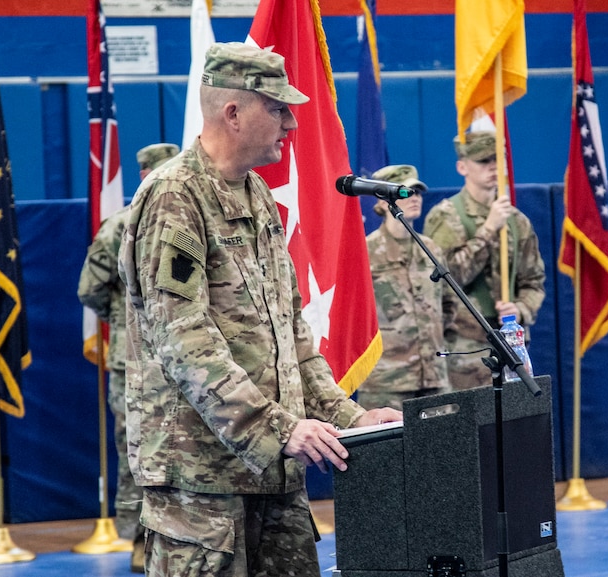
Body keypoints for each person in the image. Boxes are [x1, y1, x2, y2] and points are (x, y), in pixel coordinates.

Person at [118, 42, 401, 577]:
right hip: (202, 483)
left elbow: (291, 334)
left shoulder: (259, 198)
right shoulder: (174, 195)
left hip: (273, 471)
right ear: (233, 112)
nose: (291, 123)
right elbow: (182, 338)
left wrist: (348, 417)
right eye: (277, 109)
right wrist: (277, 427)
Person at [77, 141, 179, 573]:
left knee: (168, 450)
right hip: (134, 363)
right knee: (139, 449)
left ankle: (170, 537)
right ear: (144, 175)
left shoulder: (182, 218)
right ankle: (141, 539)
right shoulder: (118, 227)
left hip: (179, 361)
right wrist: (122, 320)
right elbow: (90, 288)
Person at [423, 131, 546, 390]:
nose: (492, 167)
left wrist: (520, 309)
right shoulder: (446, 216)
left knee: (515, 423)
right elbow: (447, 279)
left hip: (512, 347)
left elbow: (533, 282)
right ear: (462, 166)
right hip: (467, 348)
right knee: (473, 426)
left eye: (496, 159)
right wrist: (489, 230)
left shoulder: (516, 221)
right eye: (483, 161)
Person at [357, 164, 456, 410]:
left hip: (434, 378)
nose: (415, 198)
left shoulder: (430, 249)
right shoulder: (364, 253)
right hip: (386, 383)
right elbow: (355, 317)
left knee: (445, 446)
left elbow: (448, 304)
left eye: (418, 193)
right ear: (381, 203)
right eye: (406, 192)